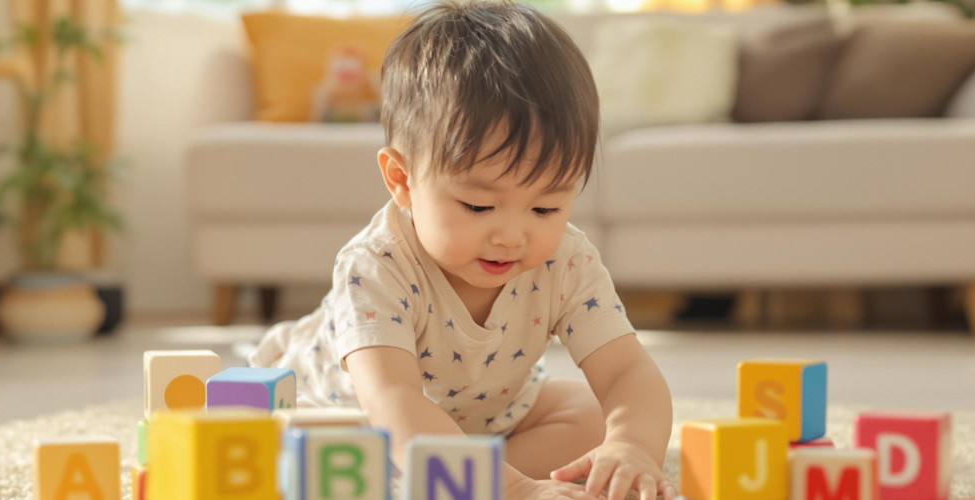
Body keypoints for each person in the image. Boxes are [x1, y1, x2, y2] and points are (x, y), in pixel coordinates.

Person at [249, 1, 675, 498]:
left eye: (545, 209)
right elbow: (394, 399)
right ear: (402, 181)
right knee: (310, 460)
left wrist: (633, 445)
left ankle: (461, 477)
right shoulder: (375, 266)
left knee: (591, 415)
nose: (512, 236)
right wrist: (517, 490)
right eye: (477, 206)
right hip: (358, 424)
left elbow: (626, 370)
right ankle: (467, 477)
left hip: (485, 416)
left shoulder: (567, 261)